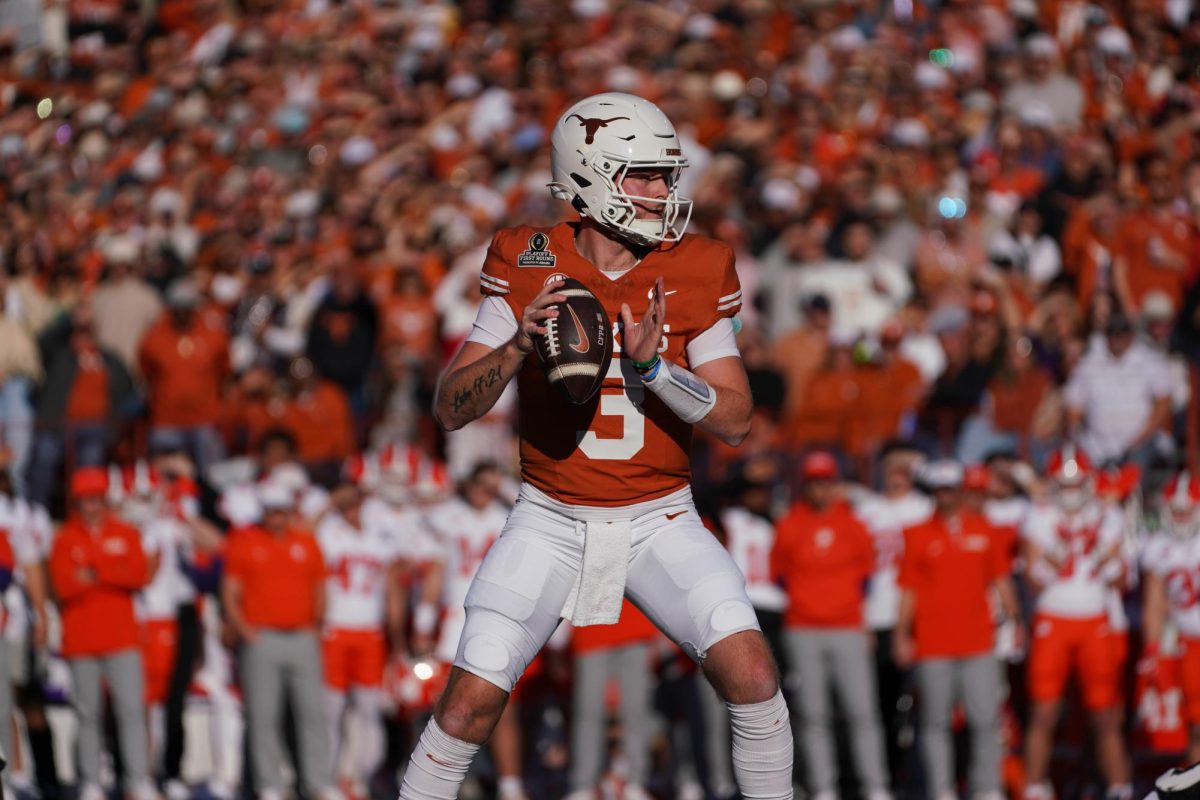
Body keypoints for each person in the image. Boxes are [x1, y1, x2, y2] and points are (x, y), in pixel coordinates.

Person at [397, 92, 792, 800]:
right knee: (464, 707)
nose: (664, 191)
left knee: (754, 675)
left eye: (666, 175)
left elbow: (734, 419)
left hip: (659, 516)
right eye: (644, 175)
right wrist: (517, 345)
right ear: (590, 175)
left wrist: (653, 370)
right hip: (549, 516)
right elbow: (452, 407)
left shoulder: (697, 266)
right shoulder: (527, 257)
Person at [894, 460, 1021, 800]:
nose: (946, 495)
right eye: (941, 489)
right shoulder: (917, 534)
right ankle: (941, 790)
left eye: (951, 488)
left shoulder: (984, 530)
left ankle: (987, 788)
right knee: (935, 723)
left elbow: (1001, 578)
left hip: (978, 640)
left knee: (985, 721)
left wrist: (1016, 619)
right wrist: (901, 633)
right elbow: (909, 589)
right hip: (933, 643)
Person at [772, 451, 891, 800]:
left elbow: (868, 576)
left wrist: (847, 609)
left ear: (836, 483)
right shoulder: (791, 523)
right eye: (814, 483)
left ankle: (876, 786)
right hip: (803, 628)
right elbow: (779, 574)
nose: (821, 489)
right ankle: (825, 787)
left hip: (847, 627)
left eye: (826, 481)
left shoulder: (853, 524)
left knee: (862, 711)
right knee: (813, 714)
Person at [1020, 447, 1130, 800]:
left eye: (1075, 484)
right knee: (1044, 711)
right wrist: (1059, 552)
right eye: (1063, 485)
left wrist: (1100, 554)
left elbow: (1122, 580)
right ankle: (1035, 787)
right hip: (1053, 618)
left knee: (1105, 715)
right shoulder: (1038, 516)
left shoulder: (1107, 516)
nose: (1069, 492)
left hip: (1096, 620)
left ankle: (1119, 788)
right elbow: (1033, 580)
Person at [221, 480, 337, 800]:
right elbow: (230, 590)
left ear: (291, 512)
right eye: (272, 512)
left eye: (283, 512)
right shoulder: (246, 542)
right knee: (262, 715)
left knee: (312, 713)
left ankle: (318, 782)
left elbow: (320, 587)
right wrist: (244, 629)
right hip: (262, 638)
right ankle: (268, 784)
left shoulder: (306, 542)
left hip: (301, 636)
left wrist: (316, 623)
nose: (277, 518)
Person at [48, 467, 155, 800]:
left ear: (104, 500)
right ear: (77, 502)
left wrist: (95, 571)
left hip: (122, 638)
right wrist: (112, 569)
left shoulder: (126, 532)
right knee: (88, 714)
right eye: (85, 500)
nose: (92, 506)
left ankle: (137, 780)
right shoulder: (65, 538)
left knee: (131, 711)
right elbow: (64, 586)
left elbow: (138, 575)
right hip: (81, 640)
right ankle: (91, 781)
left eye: (96, 499)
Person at [316, 482, 406, 800]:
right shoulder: (328, 531)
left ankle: (364, 777)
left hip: (370, 631)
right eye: (347, 503)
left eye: (357, 502)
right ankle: (328, 780)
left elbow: (393, 591)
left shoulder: (380, 536)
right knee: (332, 709)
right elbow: (302, 535)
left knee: (370, 709)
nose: (352, 509)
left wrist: (397, 640)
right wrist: (329, 503)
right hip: (334, 629)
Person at [1141, 472, 1200, 763]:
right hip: (1188, 642)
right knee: (1195, 726)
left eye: (1185, 511)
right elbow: (1155, 602)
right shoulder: (1158, 546)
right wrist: (1153, 648)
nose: (1180, 518)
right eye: (1175, 512)